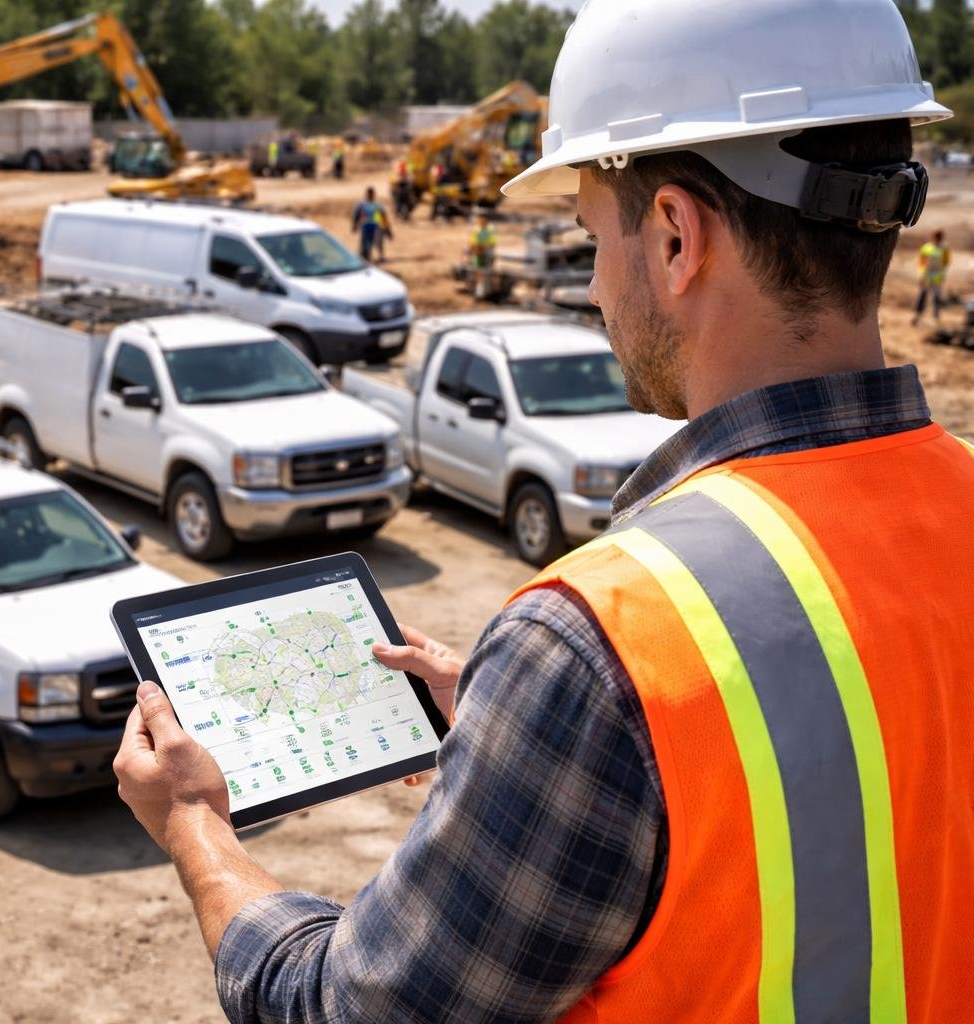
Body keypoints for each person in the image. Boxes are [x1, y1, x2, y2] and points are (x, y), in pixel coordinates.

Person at [115, 1, 974, 1021]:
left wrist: (197, 826)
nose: (597, 289)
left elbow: (351, 1008)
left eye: (589, 237)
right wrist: (527, 726)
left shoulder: (599, 645)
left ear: (672, 238)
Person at [913, 229, 951, 326]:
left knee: (936, 298)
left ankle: (935, 318)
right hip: (926, 276)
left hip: (937, 277)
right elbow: (921, 262)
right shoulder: (926, 248)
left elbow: (946, 262)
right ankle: (917, 316)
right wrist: (921, 275)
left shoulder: (944, 249)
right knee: (922, 296)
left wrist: (942, 275)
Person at [350, 187, 387, 262]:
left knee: (378, 242)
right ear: (366, 194)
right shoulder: (361, 204)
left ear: (374, 194)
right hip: (365, 225)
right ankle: (365, 257)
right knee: (365, 242)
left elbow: (383, 216)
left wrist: (386, 227)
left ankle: (380, 256)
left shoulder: (377, 205)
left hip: (375, 226)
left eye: (371, 194)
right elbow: (356, 215)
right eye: (368, 194)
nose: (370, 195)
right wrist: (354, 225)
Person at [468, 213, 497, 299]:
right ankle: (480, 292)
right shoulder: (476, 230)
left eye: (484, 220)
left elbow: (493, 242)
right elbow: (473, 243)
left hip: (487, 252)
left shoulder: (490, 229)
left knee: (486, 273)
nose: (482, 222)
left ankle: (486, 291)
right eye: (481, 220)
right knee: (480, 273)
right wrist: (476, 250)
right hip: (479, 253)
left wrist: (488, 249)